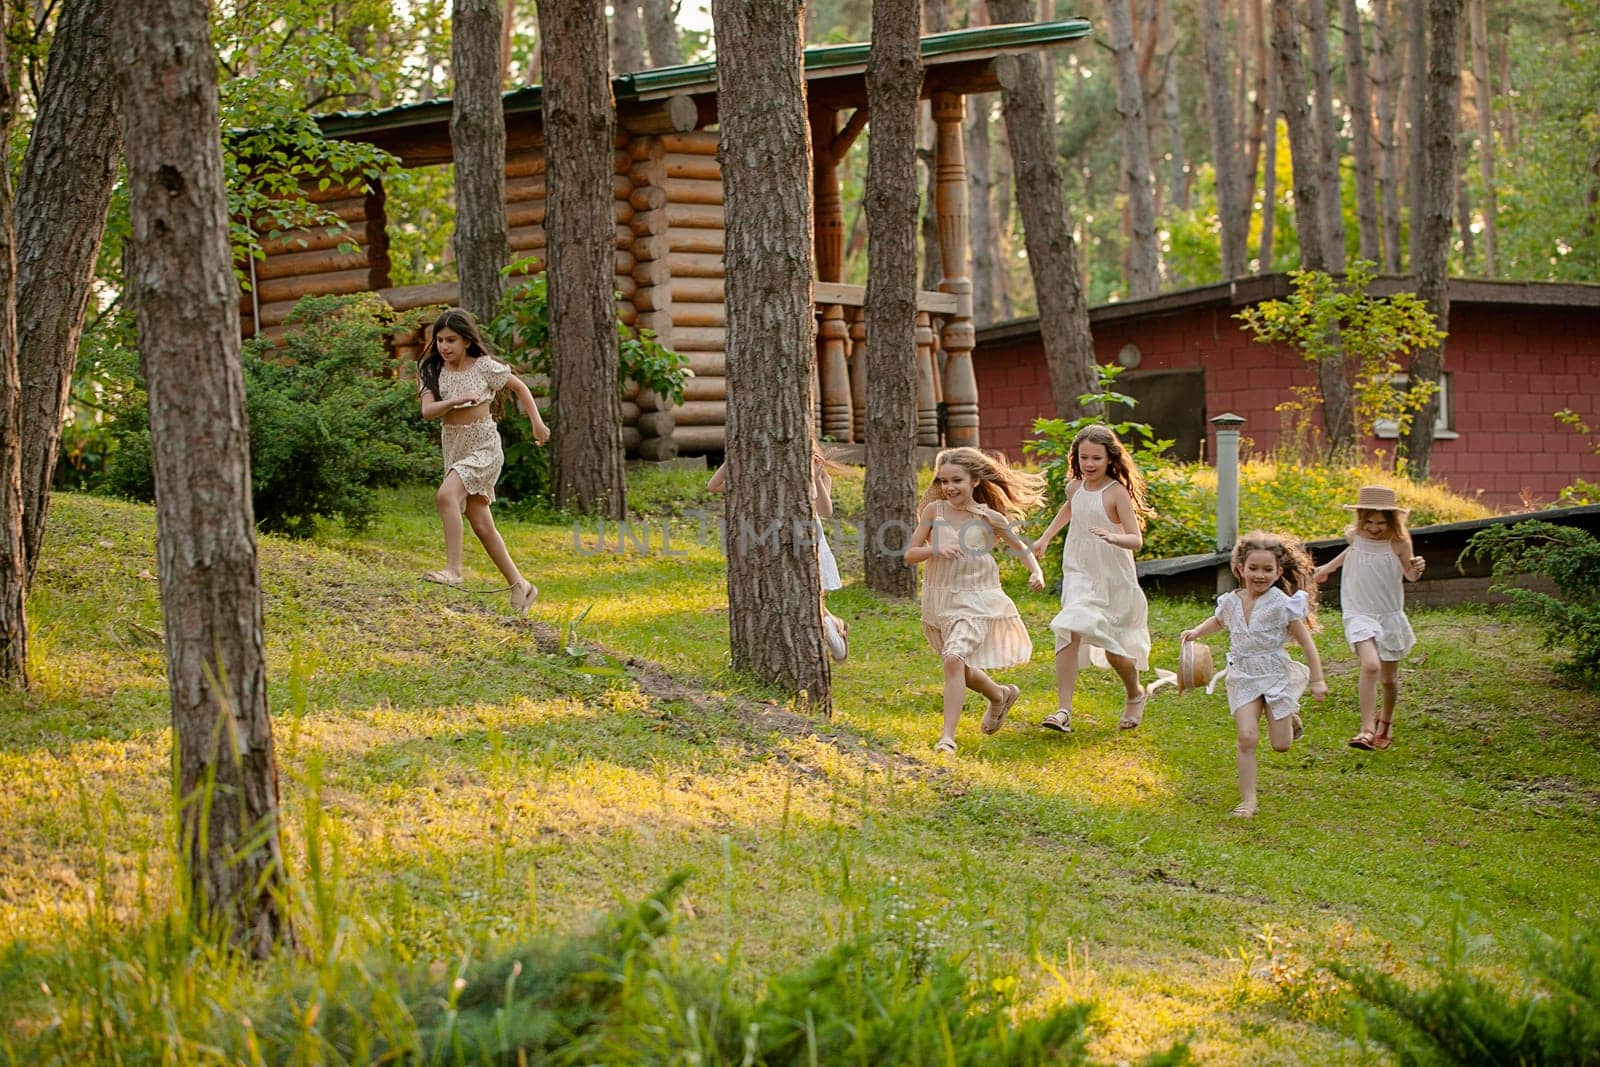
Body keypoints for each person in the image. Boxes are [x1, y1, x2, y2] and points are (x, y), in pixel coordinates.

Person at [904, 447, 1046, 754]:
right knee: (958, 667)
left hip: (977, 599)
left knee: (954, 659)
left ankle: (947, 738)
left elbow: (1019, 546)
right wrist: (935, 549)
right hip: (939, 600)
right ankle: (999, 695)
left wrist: (1036, 572)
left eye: (957, 480)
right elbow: (909, 555)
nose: (949, 487)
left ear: (975, 481)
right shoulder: (934, 512)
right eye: (943, 481)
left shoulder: (989, 518)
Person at [1181, 531, 1329, 818]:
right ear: (1240, 569)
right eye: (1253, 568)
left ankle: (1288, 717)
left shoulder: (1282, 604)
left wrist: (1318, 680)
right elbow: (1219, 620)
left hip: (1274, 674)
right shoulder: (1231, 601)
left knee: (1281, 745)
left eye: (1267, 570)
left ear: (1278, 572)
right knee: (1247, 738)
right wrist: (1198, 631)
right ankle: (1248, 801)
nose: (1259, 575)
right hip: (1243, 676)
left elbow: (1307, 643)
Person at [416, 307, 550, 614]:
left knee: (446, 495)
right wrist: (453, 401)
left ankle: (454, 570)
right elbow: (427, 412)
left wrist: (537, 423)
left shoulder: (484, 367)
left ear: (466, 341)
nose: (444, 347)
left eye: (451, 340)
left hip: (484, 447)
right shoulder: (431, 371)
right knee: (480, 523)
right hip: (455, 447)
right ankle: (521, 585)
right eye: (439, 340)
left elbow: (519, 387)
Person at [1029, 425, 1153, 733]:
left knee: (1116, 651)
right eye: (1084, 457)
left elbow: (1135, 540)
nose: (1089, 464)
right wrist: (1044, 539)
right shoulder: (1075, 487)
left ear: (1110, 459)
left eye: (1096, 458)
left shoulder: (1116, 493)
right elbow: (1069, 509)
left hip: (1113, 576)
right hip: (1079, 570)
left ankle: (1135, 693)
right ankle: (1063, 710)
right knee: (1068, 627)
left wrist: (1113, 537)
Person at [708, 442, 849, 660]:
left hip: (807, 541)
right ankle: (831, 623)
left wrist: (816, 477)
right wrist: (733, 458)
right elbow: (714, 485)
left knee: (807, 590)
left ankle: (830, 624)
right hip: (769, 542)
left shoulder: (820, 478)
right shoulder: (763, 477)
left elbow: (825, 511)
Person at [1313, 485, 1426, 750]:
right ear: (1361, 519)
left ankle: (1385, 721)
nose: (1374, 528)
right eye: (1370, 522)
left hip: (1388, 614)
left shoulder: (1399, 543)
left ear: (1392, 521)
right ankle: (1366, 729)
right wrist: (1327, 568)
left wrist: (1417, 568)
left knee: (1388, 680)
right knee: (1371, 666)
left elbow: (1410, 575)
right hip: (1358, 610)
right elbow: (1351, 552)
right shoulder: (1356, 536)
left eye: (1381, 523)